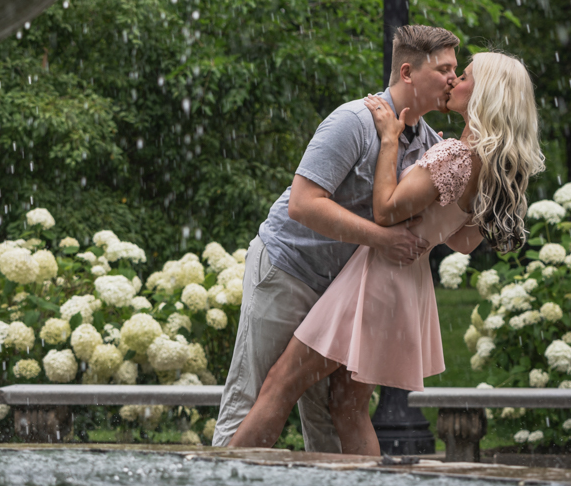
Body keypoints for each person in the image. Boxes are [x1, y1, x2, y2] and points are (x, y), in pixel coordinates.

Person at [226, 51, 545, 453]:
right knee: (347, 408)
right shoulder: (487, 164)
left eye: (462, 76)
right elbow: (462, 242)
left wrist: (391, 140)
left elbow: (385, 209)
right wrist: (432, 213)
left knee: (281, 384)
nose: (453, 82)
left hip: (376, 278)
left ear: (485, 94)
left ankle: (227, 474)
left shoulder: (454, 155)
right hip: (407, 286)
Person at [209, 25, 461, 451]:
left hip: (340, 293)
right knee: (251, 396)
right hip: (289, 270)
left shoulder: (430, 145)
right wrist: (382, 240)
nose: (453, 79)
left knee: (330, 415)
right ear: (407, 73)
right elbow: (303, 205)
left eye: (456, 70)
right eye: (444, 69)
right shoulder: (353, 121)